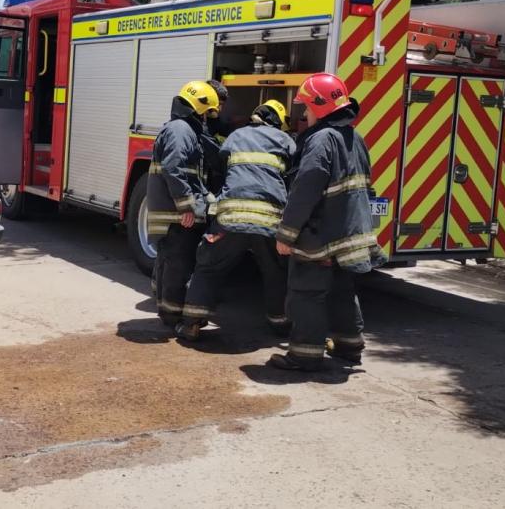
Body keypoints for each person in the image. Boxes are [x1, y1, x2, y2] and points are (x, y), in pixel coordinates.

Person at [270, 73, 386, 371]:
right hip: (348, 234)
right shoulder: (354, 137)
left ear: (319, 106)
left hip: (320, 234)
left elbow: (305, 190)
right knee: (341, 290)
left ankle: (303, 355)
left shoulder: (321, 139)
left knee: (307, 292)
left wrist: (286, 233)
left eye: (306, 107)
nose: (304, 114)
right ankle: (349, 347)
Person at [179, 100, 296, 341]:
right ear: (277, 121)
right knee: (275, 271)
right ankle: (280, 323)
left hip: (230, 218)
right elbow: (293, 174)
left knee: (209, 265)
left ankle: (191, 322)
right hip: (268, 220)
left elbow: (221, 166)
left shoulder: (235, 137)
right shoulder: (285, 141)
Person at [148, 80, 219, 330]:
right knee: (178, 266)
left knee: (170, 264)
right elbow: (173, 168)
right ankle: (172, 318)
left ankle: (169, 313)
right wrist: (187, 206)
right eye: (208, 113)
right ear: (199, 108)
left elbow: (188, 175)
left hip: (173, 213)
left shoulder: (182, 128)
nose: (209, 119)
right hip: (176, 216)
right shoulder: (181, 130)